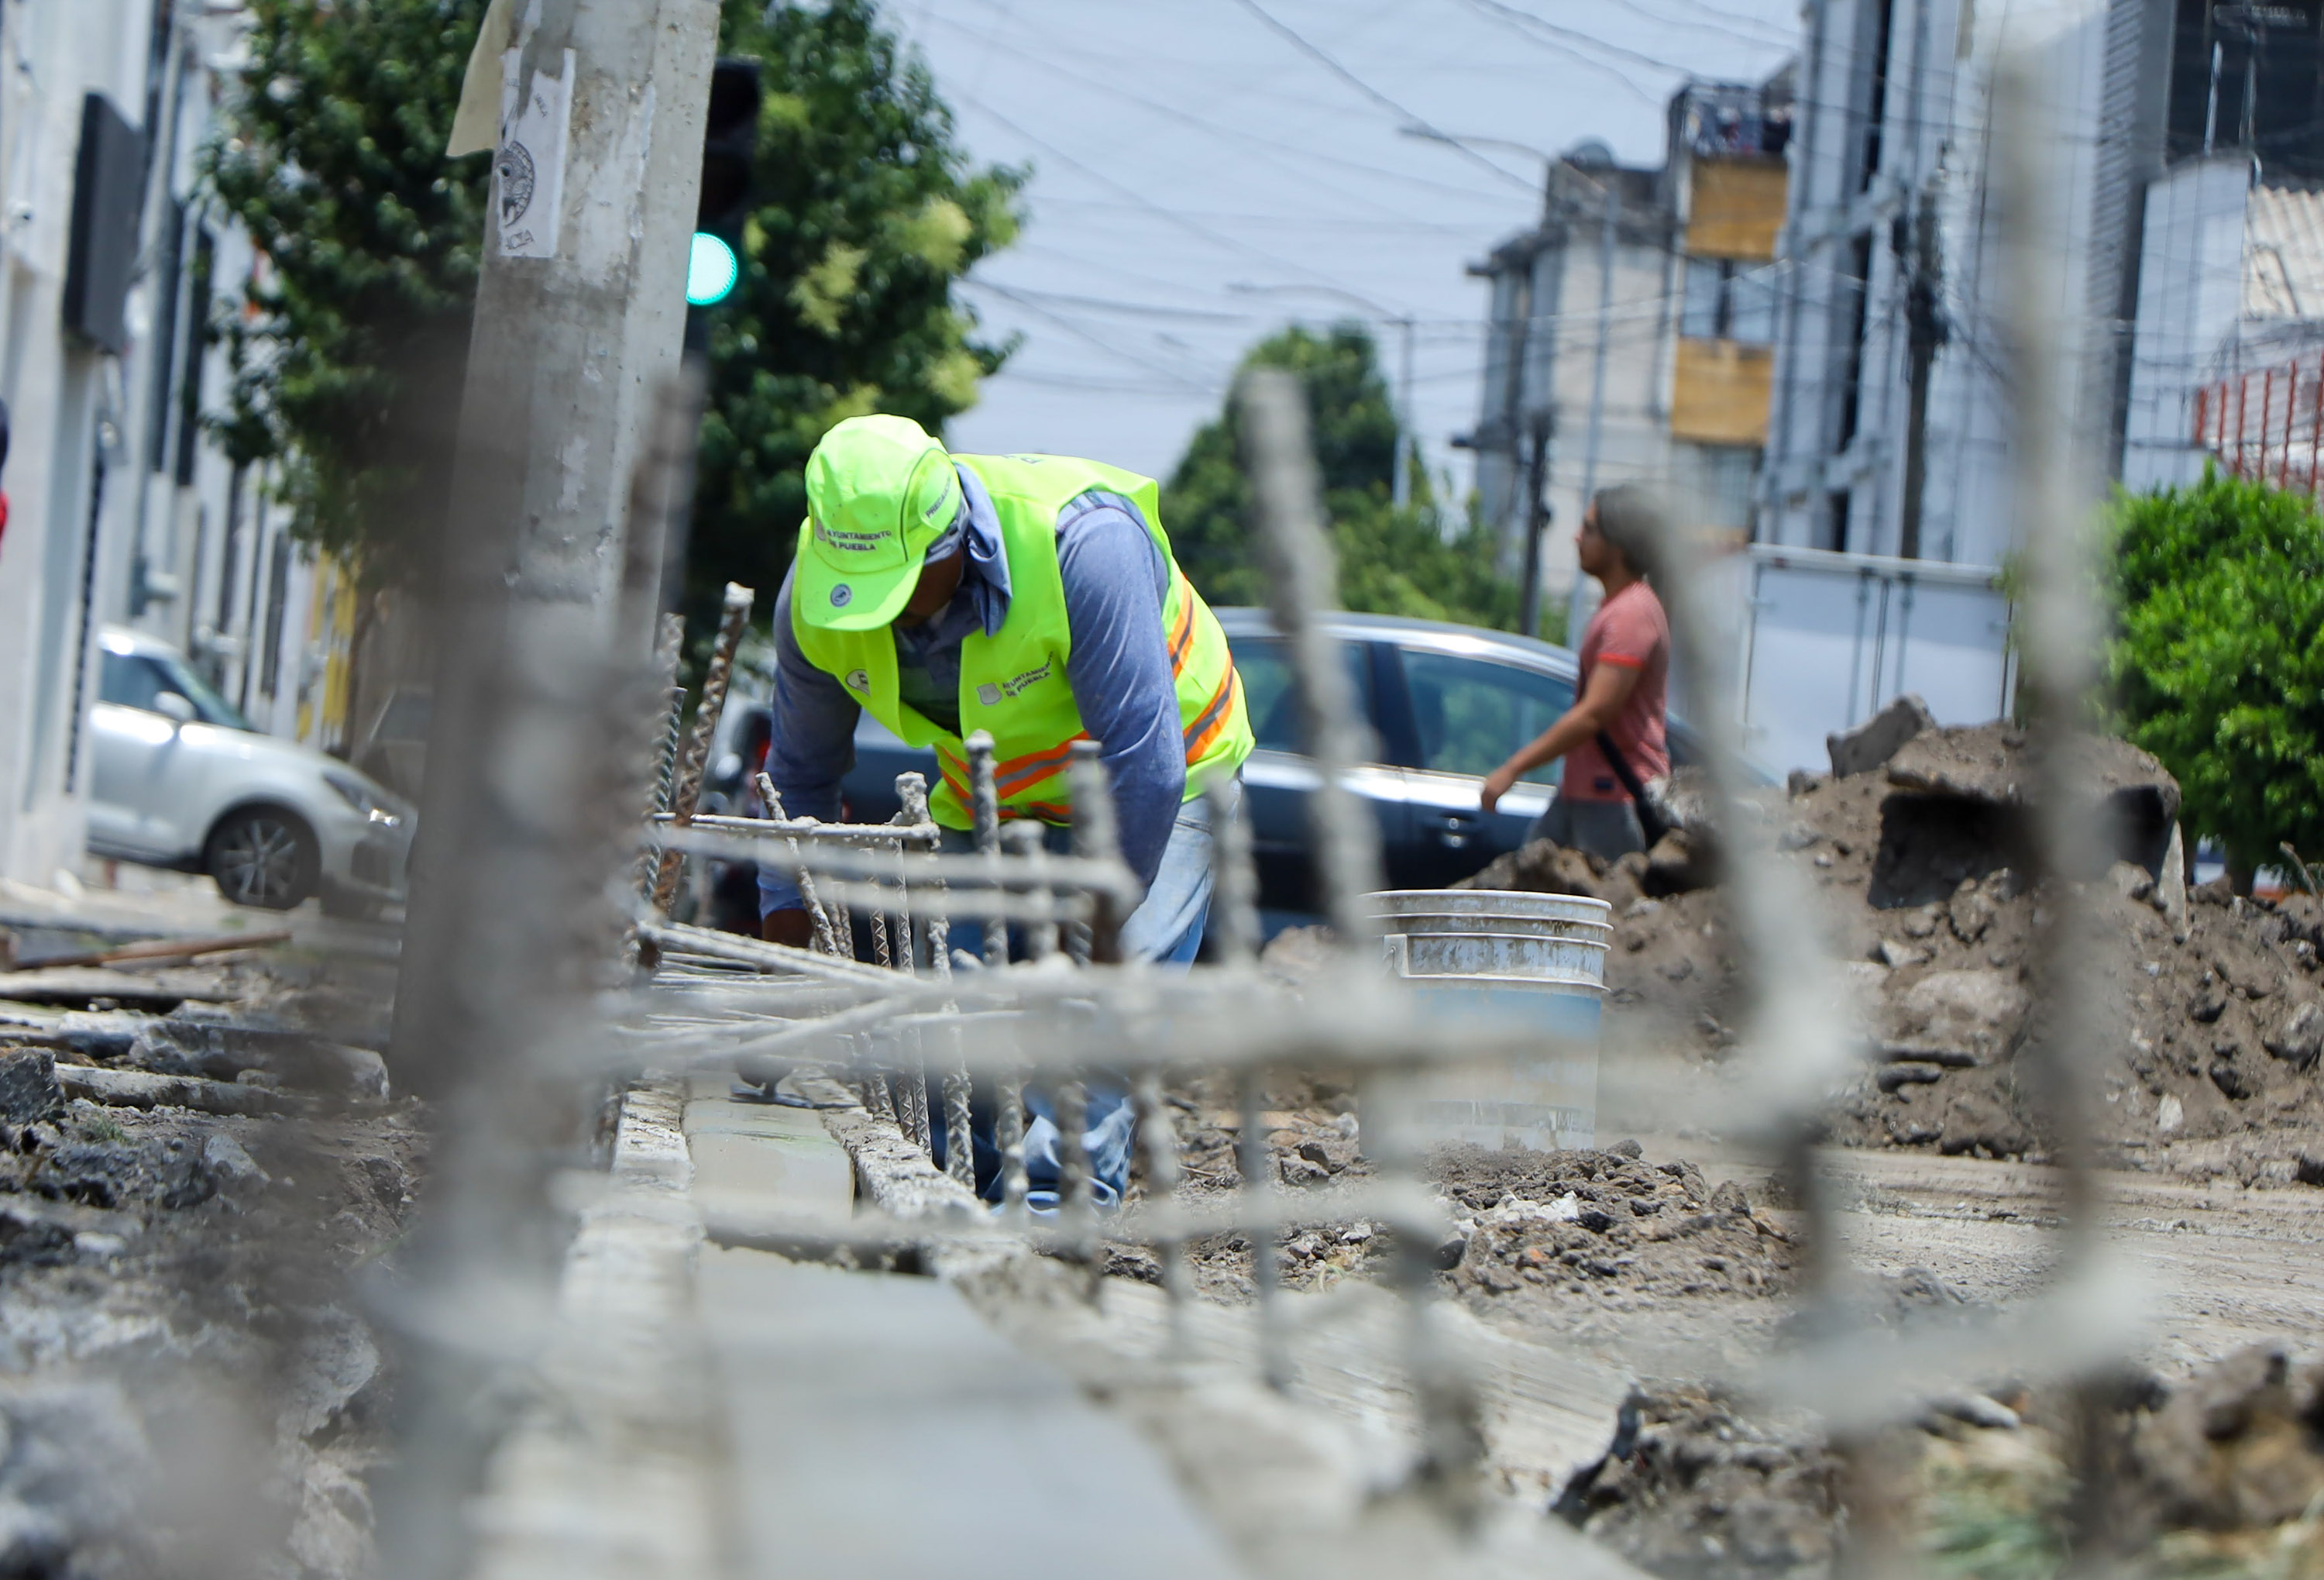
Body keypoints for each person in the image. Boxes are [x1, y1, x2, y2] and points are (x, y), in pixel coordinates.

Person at [756, 414, 1254, 1207]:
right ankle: (961, 1202)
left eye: (901, 586)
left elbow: (1144, 763)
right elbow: (801, 780)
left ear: (951, 541)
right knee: (952, 1013)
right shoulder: (817, 602)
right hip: (1000, 797)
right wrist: (785, 961)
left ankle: (1059, 1228)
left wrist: (1091, 944)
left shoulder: (1083, 546)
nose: (881, 621)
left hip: (1171, 775)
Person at [1480, 484, 1670, 862]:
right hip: (1583, 792)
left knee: (1606, 913)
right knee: (1526, 896)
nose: (1577, 536)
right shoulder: (1619, 608)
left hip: (1614, 798)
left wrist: (1512, 769)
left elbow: (1595, 713)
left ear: (1619, 543)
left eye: (1590, 528)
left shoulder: (1631, 614)